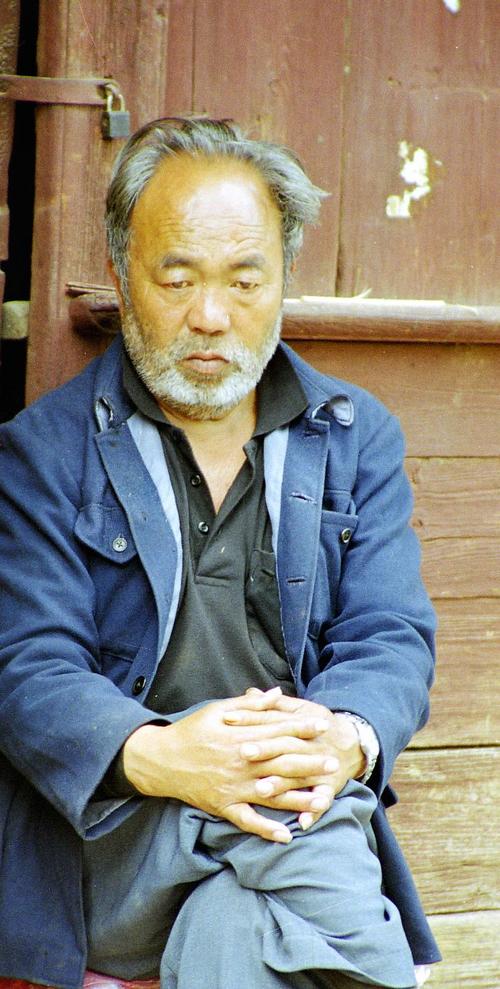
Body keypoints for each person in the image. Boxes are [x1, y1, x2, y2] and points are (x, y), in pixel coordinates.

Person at [0, 117, 440, 989]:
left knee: (233, 927)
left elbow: (391, 635)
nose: (210, 316)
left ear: (283, 279)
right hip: (111, 842)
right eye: (177, 280)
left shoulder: (355, 437)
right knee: (300, 826)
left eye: (244, 281)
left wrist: (339, 739)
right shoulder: (43, 451)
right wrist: (167, 755)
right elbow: (29, 668)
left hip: (283, 825)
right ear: (122, 273)